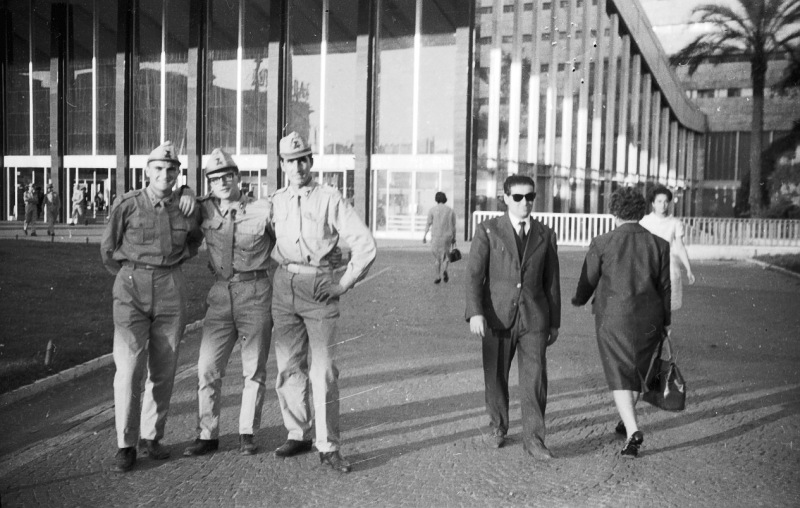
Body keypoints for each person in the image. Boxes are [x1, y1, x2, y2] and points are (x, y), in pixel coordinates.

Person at [270, 132, 377, 473]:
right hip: (283, 285)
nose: (298, 166)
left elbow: (365, 245)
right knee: (288, 365)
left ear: (311, 162)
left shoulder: (330, 198)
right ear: (282, 165)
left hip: (319, 288)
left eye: (303, 159)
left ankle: (327, 444)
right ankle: (298, 432)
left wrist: (342, 283)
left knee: (324, 369)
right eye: (291, 160)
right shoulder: (274, 201)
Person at [100, 141, 203, 473]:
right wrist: (130, 274)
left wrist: (188, 190)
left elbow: (194, 240)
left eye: (172, 169)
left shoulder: (186, 207)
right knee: (129, 369)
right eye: (158, 168)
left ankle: (151, 436)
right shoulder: (128, 204)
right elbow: (108, 247)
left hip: (171, 287)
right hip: (131, 288)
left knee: (165, 368)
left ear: (177, 174)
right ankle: (126, 444)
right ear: (147, 171)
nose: (165, 174)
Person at [183, 149, 275, 458]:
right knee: (207, 367)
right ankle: (207, 434)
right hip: (221, 296)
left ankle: (247, 432)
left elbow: (284, 241)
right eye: (215, 178)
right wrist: (184, 189)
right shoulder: (202, 209)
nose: (222, 182)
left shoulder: (262, 209)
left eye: (227, 176)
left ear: (238, 177)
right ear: (209, 183)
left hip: (255, 291)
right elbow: (179, 216)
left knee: (254, 369)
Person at [465, 174, 561, 460]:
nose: (524, 203)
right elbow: (473, 275)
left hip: (534, 319)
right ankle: (498, 427)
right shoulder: (488, 230)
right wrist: (475, 313)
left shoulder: (545, 234)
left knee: (535, 380)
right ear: (505, 198)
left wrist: (554, 322)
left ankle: (534, 439)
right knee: (495, 377)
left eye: (529, 197)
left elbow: (552, 282)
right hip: (496, 316)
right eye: (517, 197)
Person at [571, 186, 671, 459]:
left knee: (619, 373)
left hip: (613, 317)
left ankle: (633, 431)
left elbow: (588, 279)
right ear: (640, 210)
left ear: (614, 211)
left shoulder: (603, 242)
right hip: (650, 318)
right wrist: (666, 322)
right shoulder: (660, 244)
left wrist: (579, 299)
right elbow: (665, 288)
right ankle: (627, 420)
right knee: (637, 369)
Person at [639, 184, 695, 311]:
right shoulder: (644, 222)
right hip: (648, 266)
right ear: (653, 203)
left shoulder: (675, 223)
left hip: (668, 268)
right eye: (659, 201)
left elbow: (680, 247)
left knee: (665, 307)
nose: (662, 205)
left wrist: (688, 269)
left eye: (665, 202)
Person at [422, 191, 457, 284]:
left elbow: (428, 223)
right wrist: (454, 237)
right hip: (447, 236)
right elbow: (453, 225)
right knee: (446, 257)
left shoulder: (432, 210)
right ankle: (445, 270)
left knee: (437, 259)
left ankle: (437, 276)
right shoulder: (450, 210)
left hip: (436, 236)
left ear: (436, 199)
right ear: (445, 199)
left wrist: (424, 235)